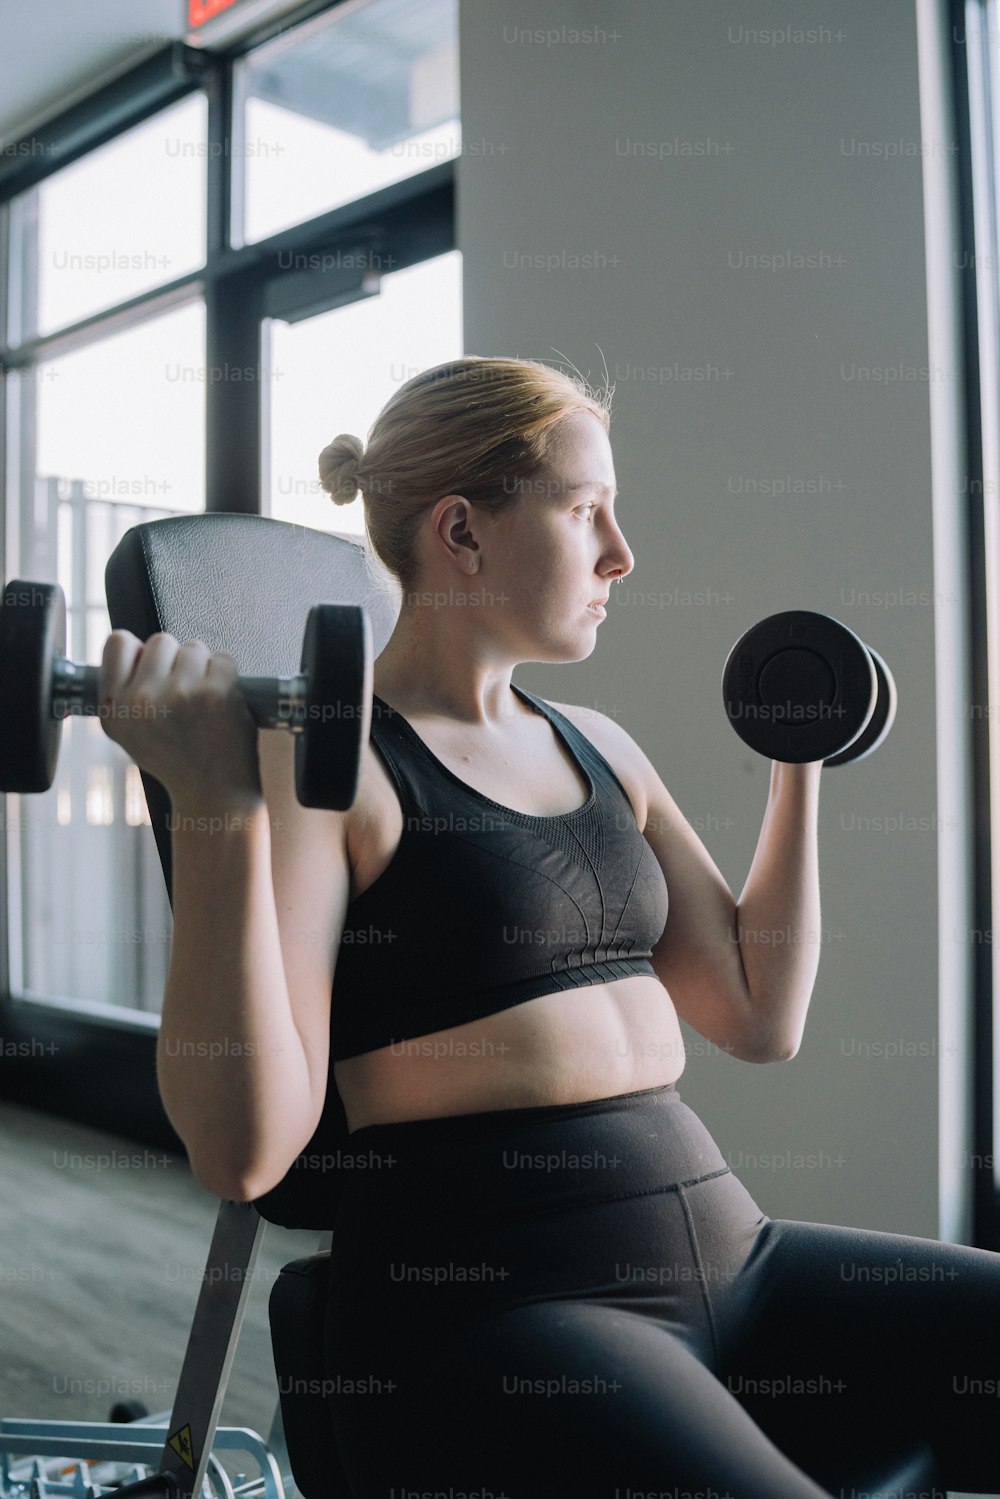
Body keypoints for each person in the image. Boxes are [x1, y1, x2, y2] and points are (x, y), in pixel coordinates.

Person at [100, 357, 999, 1499]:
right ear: (463, 531)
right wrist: (214, 805)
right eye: (585, 512)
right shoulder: (337, 767)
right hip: (509, 1298)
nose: (622, 553)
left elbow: (758, 1011)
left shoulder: (600, 745)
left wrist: (797, 757)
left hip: (738, 1251)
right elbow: (245, 1150)